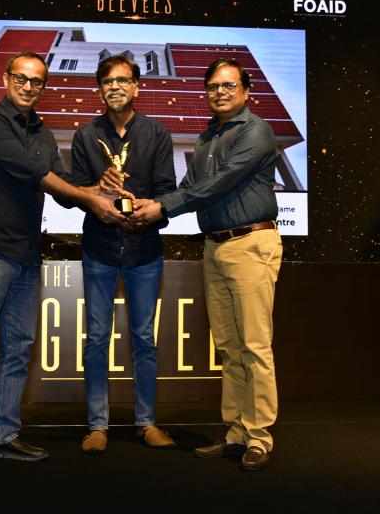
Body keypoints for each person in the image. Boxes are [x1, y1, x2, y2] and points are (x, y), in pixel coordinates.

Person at [0, 51, 129, 473]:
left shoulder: (42, 133)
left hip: (26, 254)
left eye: (37, 81)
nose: (28, 87)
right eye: (21, 78)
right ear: (6, 79)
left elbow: (64, 189)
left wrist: (99, 188)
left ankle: (2, 434)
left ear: (43, 86)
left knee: (18, 348)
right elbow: (35, 174)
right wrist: (91, 198)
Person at [129, 58, 283, 470]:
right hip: (215, 247)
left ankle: (259, 437)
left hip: (250, 243)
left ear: (246, 90)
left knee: (254, 345)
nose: (220, 92)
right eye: (213, 86)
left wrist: (163, 207)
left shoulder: (256, 131)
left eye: (229, 85)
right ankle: (235, 432)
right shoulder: (206, 137)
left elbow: (219, 183)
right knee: (230, 348)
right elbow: (190, 187)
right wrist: (150, 206)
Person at [70, 54, 177, 454]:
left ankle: (146, 423)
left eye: (122, 80)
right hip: (99, 248)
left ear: (136, 86)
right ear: (100, 89)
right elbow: (74, 193)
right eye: (107, 81)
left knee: (144, 339)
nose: (114, 86)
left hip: (144, 249)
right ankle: (97, 426)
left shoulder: (157, 133)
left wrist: (147, 211)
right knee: (97, 338)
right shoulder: (85, 136)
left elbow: (167, 192)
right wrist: (98, 192)